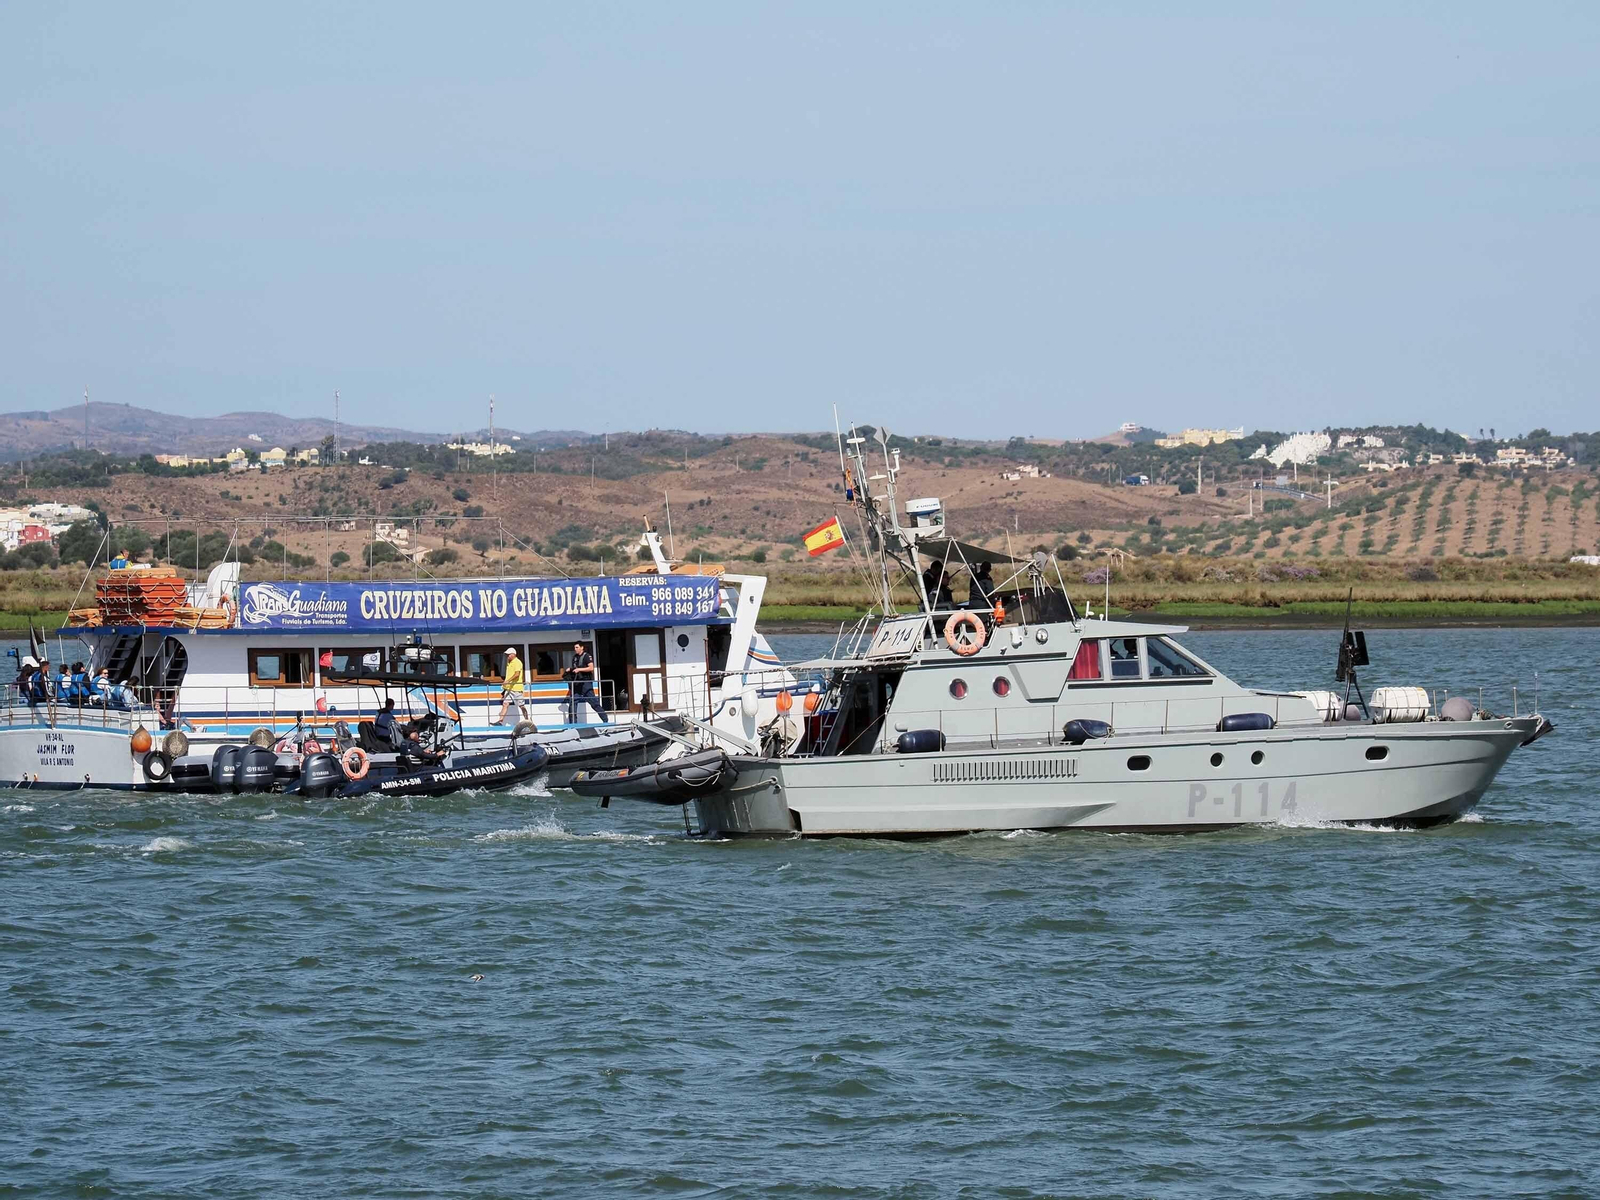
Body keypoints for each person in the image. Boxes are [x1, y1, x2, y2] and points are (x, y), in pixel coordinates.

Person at [565, 640, 606, 725]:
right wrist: (570, 669)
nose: (575, 649)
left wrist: (579, 669)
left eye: (577, 647)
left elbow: (591, 668)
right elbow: (576, 668)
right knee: (572, 703)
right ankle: (573, 724)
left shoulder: (587, 656)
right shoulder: (575, 657)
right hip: (577, 684)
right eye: (574, 648)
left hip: (586, 683)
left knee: (593, 702)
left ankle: (605, 720)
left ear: (582, 647)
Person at [494, 647, 525, 725]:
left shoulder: (518, 662)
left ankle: (528, 720)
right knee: (505, 704)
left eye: (508, 655)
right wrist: (505, 686)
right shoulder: (509, 662)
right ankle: (500, 721)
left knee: (521, 705)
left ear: (513, 654)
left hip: (516, 688)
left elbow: (517, 674)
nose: (507, 656)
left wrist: (507, 681)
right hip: (509, 688)